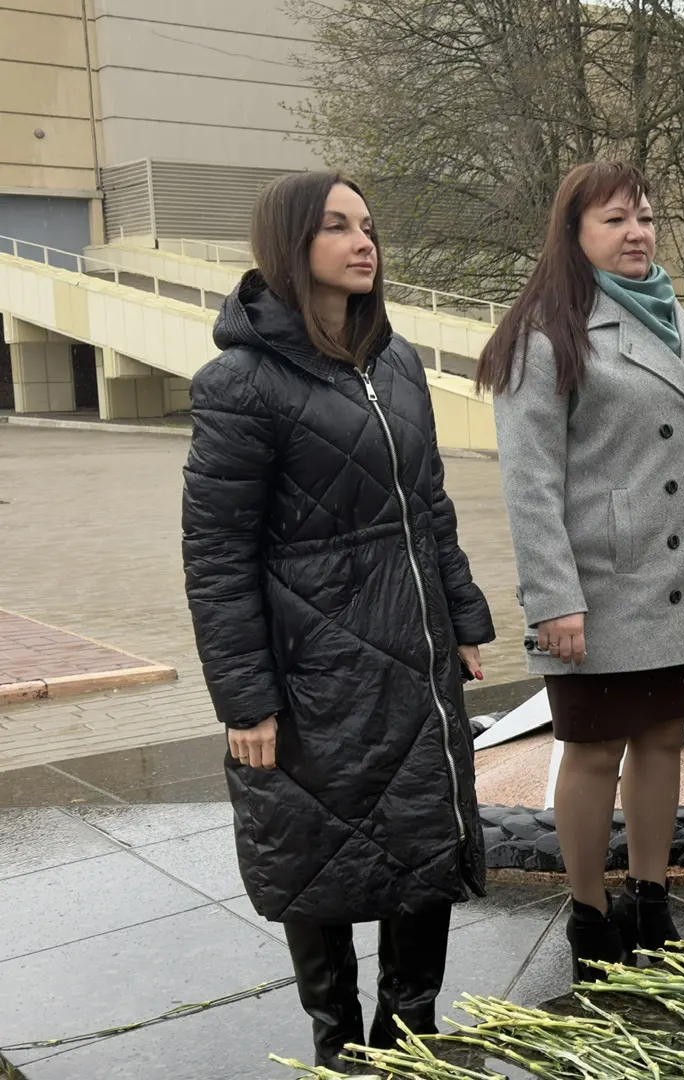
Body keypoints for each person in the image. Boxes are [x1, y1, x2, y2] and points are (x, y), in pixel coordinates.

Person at [182, 171, 495, 1070]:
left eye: (368, 226)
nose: (365, 242)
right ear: (290, 244)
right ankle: (338, 1046)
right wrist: (246, 700)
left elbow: (426, 502)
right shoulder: (239, 384)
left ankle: (412, 1033)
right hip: (313, 668)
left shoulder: (394, 362)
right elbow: (216, 554)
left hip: (414, 648)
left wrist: (464, 613)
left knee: (422, 839)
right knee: (314, 851)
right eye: (337, 227)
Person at [477, 162, 684, 980]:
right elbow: (529, 484)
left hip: (678, 577)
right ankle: (590, 913)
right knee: (594, 750)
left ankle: (651, 895)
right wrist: (553, 600)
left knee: (665, 740)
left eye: (644, 217)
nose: (637, 232)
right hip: (602, 586)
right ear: (574, 235)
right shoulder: (546, 333)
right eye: (614, 220)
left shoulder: (675, 319)